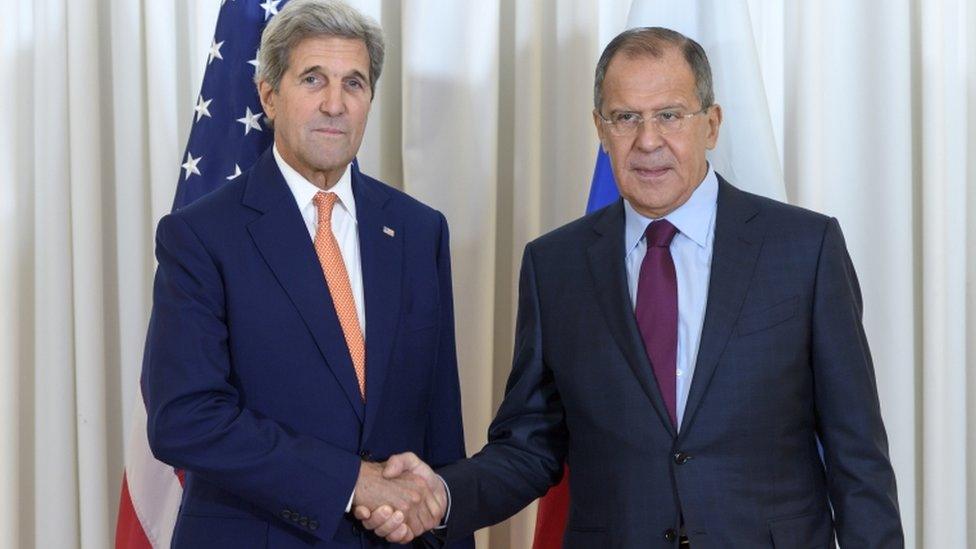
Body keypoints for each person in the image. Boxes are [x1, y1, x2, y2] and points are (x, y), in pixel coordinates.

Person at [357, 27, 904, 548]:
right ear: (600, 128)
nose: (647, 141)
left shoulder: (804, 248)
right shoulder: (555, 265)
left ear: (711, 124)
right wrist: (440, 495)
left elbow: (857, 455)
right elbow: (531, 445)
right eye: (625, 118)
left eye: (669, 115)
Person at [141, 1, 471, 546]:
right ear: (269, 94)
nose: (335, 104)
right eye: (313, 79)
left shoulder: (418, 231)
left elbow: (440, 422)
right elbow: (185, 418)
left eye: (355, 83)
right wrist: (351, 483)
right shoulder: (200, 236)